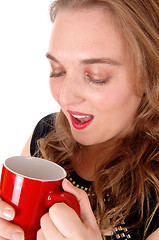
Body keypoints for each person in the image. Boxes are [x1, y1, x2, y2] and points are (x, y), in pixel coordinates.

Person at [0, 0, 159, 239]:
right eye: (57, 70)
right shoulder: (45, 134)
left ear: (149, 75)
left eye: (96, 77)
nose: (64, 98)